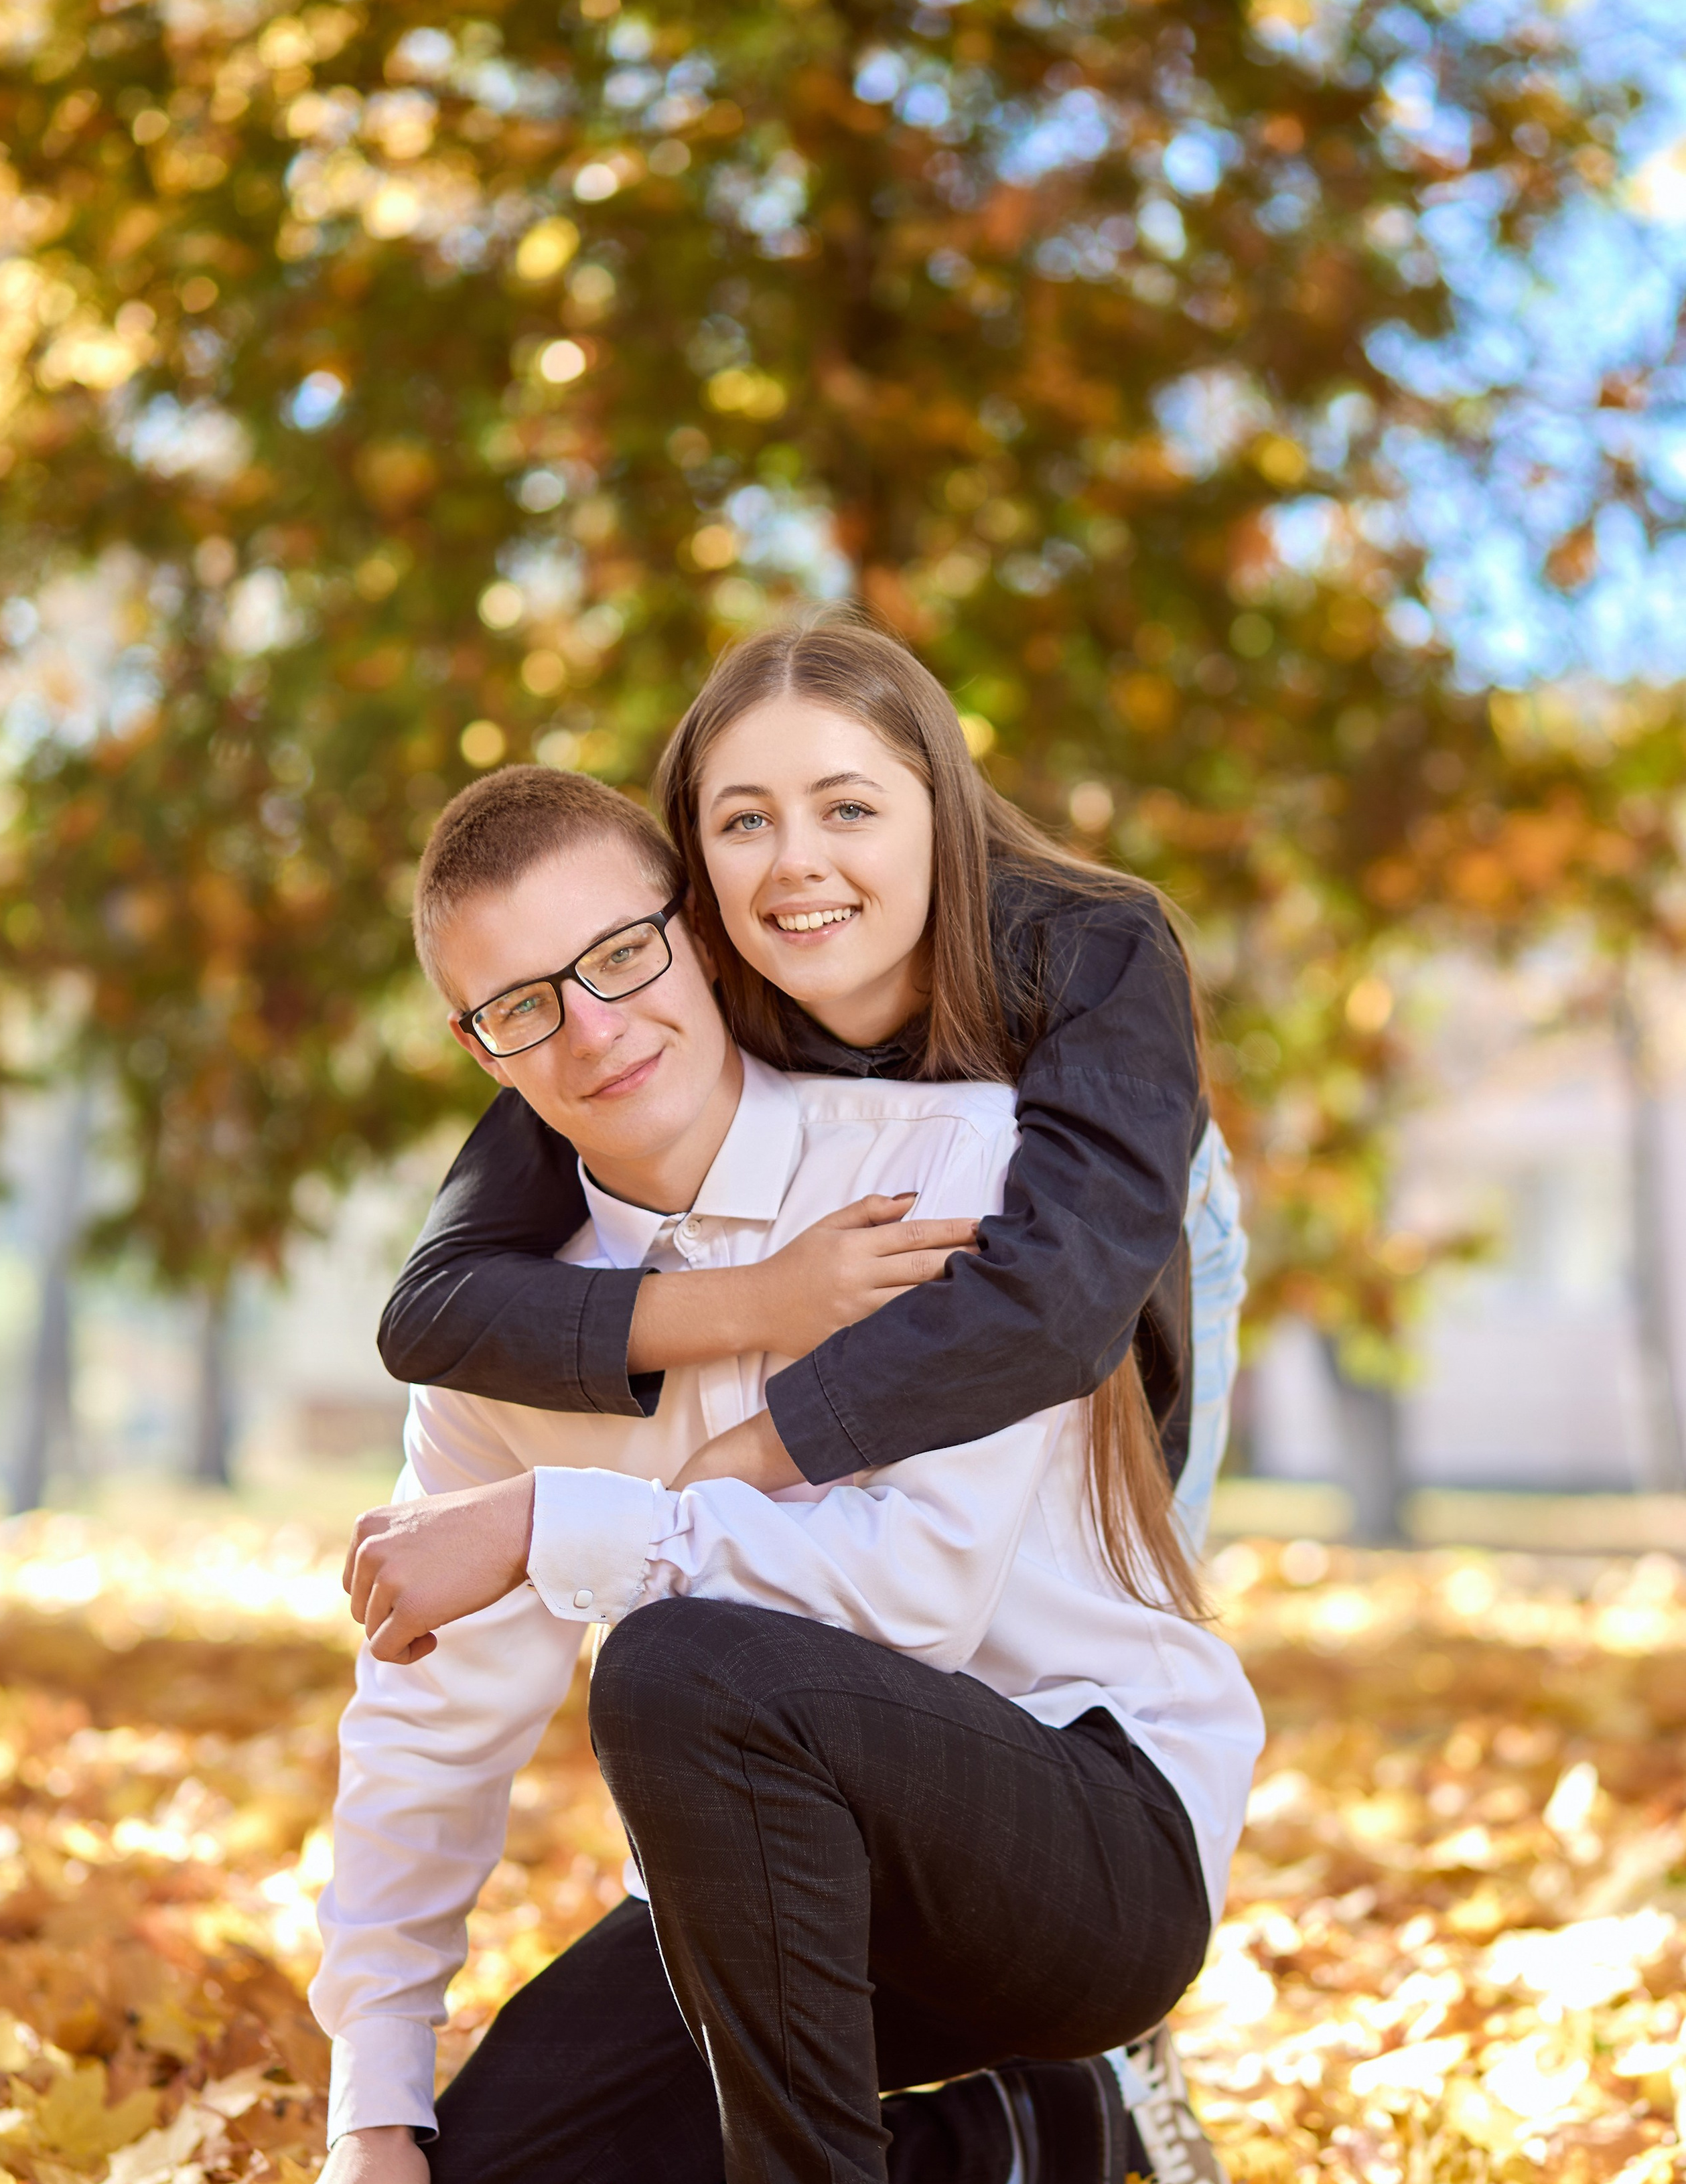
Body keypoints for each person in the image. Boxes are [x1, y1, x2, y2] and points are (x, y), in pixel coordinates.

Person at [289, 768, 1265, 2184]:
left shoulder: (946, 1168)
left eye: (620, 957)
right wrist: (369, 2109)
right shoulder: (501, 1333)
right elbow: (427, 1721)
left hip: (1079, 1839)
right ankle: (1018, 2153)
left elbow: (911, 1592)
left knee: (679, 1660)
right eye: (522, 1008)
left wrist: (553, 1526)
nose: (594, 1031)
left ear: (704, 940)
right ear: (476, 1051)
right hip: (759, 1898)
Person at [376, 616, 1244, 1569]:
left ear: (938, 808)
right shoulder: (670, 1004)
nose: (795, 863)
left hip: (1122, 1247)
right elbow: (437, 1311)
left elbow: (1062, 1299)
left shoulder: (1095, 949)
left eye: (849, 809)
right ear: (697, 880)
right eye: (746, 822)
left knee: (1128, 1587)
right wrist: (762, 1302)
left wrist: (750, 1456)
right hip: (862, 1311)